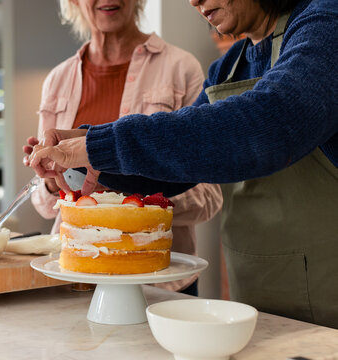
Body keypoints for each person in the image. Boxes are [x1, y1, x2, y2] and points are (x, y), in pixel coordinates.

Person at [29, 0, 338, 329]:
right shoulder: (229, 66)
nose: (194, 1)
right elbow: (176, 170)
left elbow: (269, 123)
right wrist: (87, 145)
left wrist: (102, 144)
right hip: (254, 300)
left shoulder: (326, 24)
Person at [23, 0, 223, 296]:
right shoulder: (57, 80)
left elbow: (208, 195)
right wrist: (52, 181)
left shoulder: (181, 68)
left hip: (161, 283)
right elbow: (44, 202)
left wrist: (126, 200)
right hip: (77, 277)